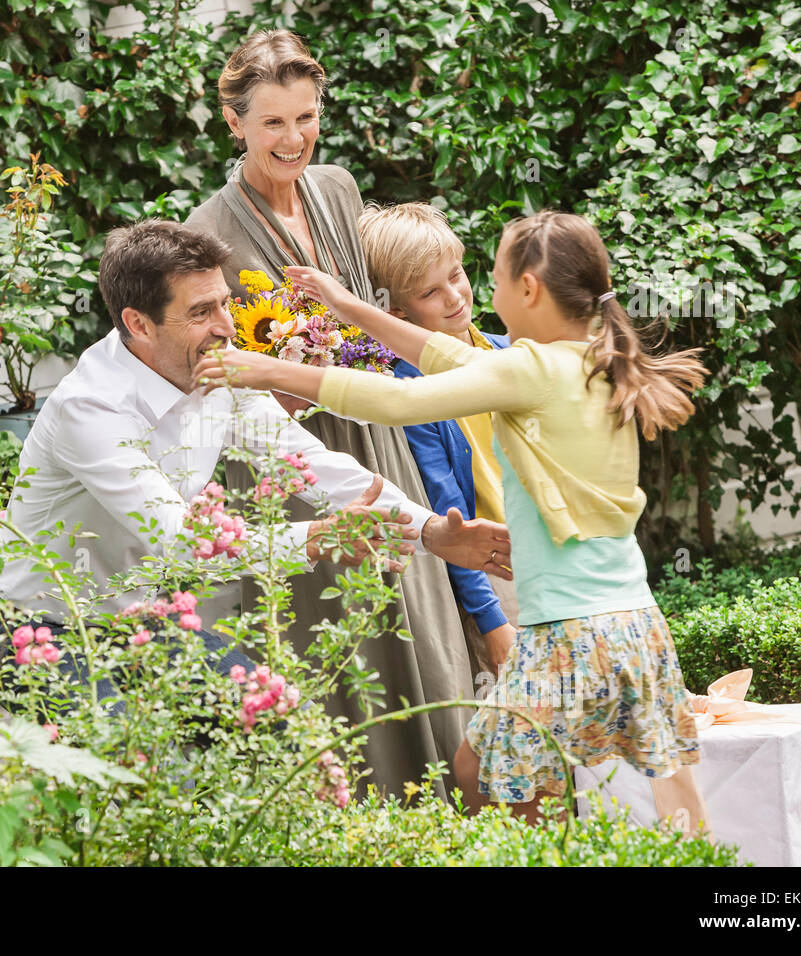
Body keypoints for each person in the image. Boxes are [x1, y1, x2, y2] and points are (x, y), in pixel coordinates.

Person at [193, 209, 707, 824]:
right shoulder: (587, 359)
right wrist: (348, 307)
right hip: (629, 619)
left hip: (570, 631)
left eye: (486, 278)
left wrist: (270, 369)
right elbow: (444, 358)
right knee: (658, 796)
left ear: (528, 290)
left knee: (507, 786)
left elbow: (403, 399)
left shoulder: (530, 368)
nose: (478, 294)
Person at [0, 219, 511, 711]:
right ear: (138, 323)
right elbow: (182, 542)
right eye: (201, 312)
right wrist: (317, 538)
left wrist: (430, 531)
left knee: (273, 726)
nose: (226, 326)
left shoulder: (216, 373)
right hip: (37, 628)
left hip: (139, 619)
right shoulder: (91, 409)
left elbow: (311, 463)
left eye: (224, 303)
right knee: (142, 780)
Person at [185, 29, 482, 799]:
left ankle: (450, 812)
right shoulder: (208, 233)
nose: (294, 139)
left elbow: (375, 314)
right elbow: (215, 380)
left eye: (307, 117)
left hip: (378, 431)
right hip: (288, 456)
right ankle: (367, 816)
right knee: (338, 640)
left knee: (420, 614)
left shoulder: (341, 189)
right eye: (273, 122)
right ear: (234, 123)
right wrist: (295, 375)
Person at [358, 202, 520, 683]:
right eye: (431, 291)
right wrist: (491, 621)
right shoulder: (412, 391)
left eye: (456, 275)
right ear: (394, 309)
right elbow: (450, 513)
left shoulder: (509, 351)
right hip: (497, 570)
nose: (455, 297)